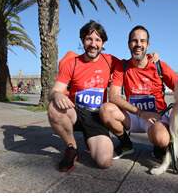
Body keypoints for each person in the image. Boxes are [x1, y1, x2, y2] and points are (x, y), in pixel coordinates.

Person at [48, 20, 159, 172]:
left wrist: (150, 57)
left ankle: (91, 140)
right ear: (82, 40)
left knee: (104, 161)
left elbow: (132, 63)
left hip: (96, 117)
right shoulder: (71, 63)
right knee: (54, 107)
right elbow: (54, 91)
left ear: (103, 42)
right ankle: (71, 147)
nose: (93, 44)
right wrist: (56, 95)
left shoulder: (110, 61)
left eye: (98, 40)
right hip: (76, 113)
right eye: (89, 39)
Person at [100, 25, 178, 160]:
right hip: (134, 116)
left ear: (147, 44)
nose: (138, 44)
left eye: (142, 41)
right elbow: (113, 96)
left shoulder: (159, 66)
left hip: (156, 117)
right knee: (106, 109)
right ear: (129, 44)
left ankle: (159, 147)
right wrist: (140, 113)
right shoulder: (122, 66)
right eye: (134, 41)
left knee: (161, 139)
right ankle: (126, 144)